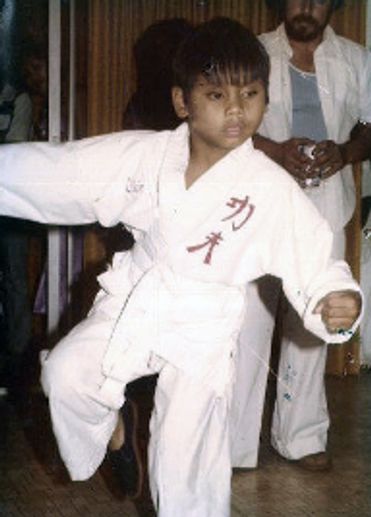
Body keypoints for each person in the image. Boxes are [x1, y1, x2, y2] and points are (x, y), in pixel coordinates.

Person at [0, 17, 363, 517]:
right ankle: (116, 436)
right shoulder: (148, 156)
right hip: (137, 301)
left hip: (203, 332)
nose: (237, 109)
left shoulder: (269, 186)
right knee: (65, 376)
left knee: (186, 467)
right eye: (217, 95)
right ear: (182, 101)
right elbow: (62, 173)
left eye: (251, 93)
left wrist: (330, 297)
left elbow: (312, 253)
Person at [231, 0, 371, 473]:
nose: (306, 6)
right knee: (250, 317)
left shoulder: (356, 59)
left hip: (325, 204)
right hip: (259, 201)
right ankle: (234, 444)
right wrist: (275, 149)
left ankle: (301, 436)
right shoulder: (252, 52)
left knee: (312, 319)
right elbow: (224, 124)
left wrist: (347, 150)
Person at [0, 68, 33, 396]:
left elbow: (14, 151)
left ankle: (18, 354)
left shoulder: (18, 98)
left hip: (11, 205)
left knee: (15, 279)